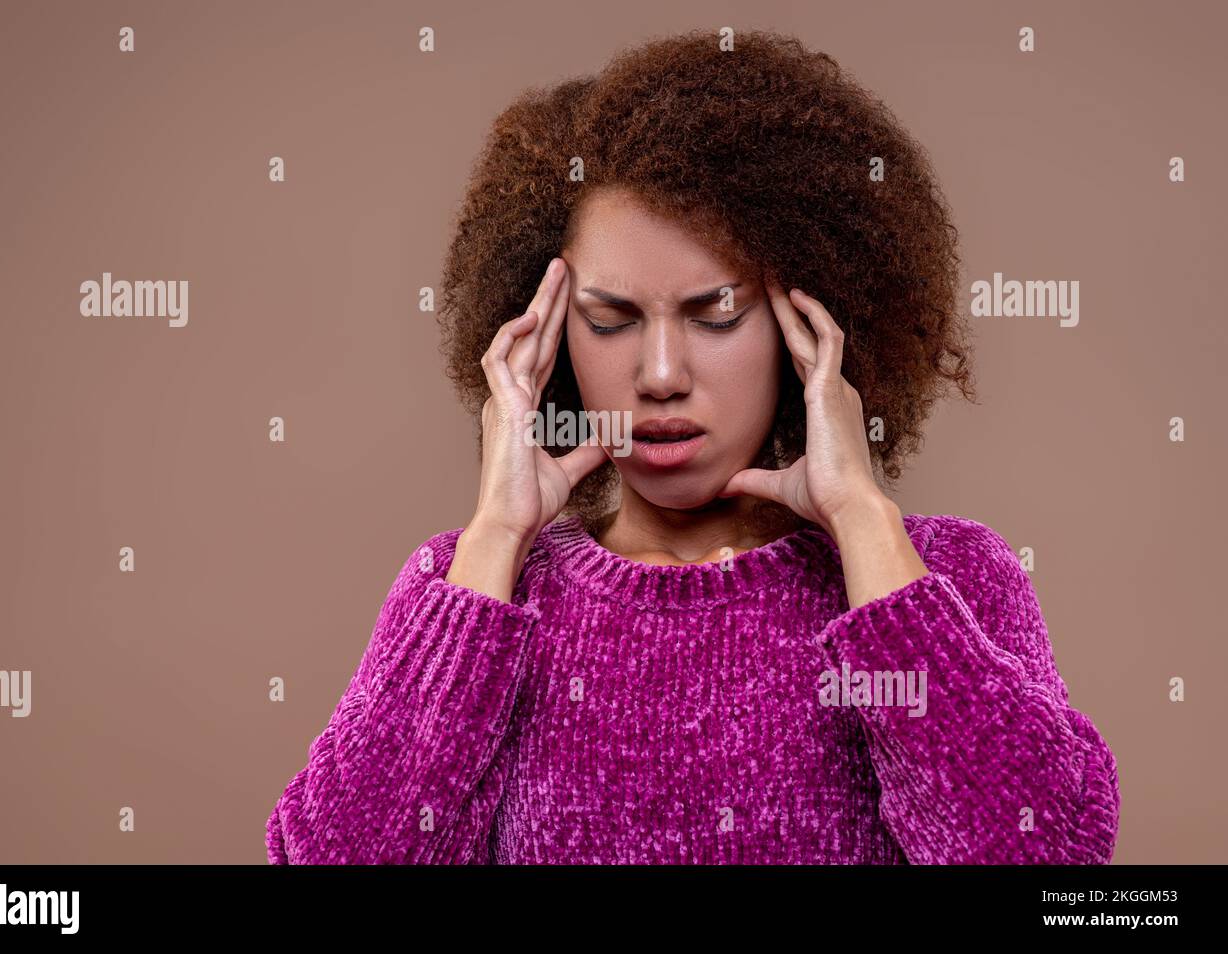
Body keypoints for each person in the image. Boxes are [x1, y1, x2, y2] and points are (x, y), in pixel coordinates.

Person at [265, 29, 1120, 865]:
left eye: (714, 315)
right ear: (551, 336)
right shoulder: (469, 595)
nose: (662, 374)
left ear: (807, 323)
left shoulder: (947, 580)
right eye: (612, 319)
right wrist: (495, 541)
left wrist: (863, 522)